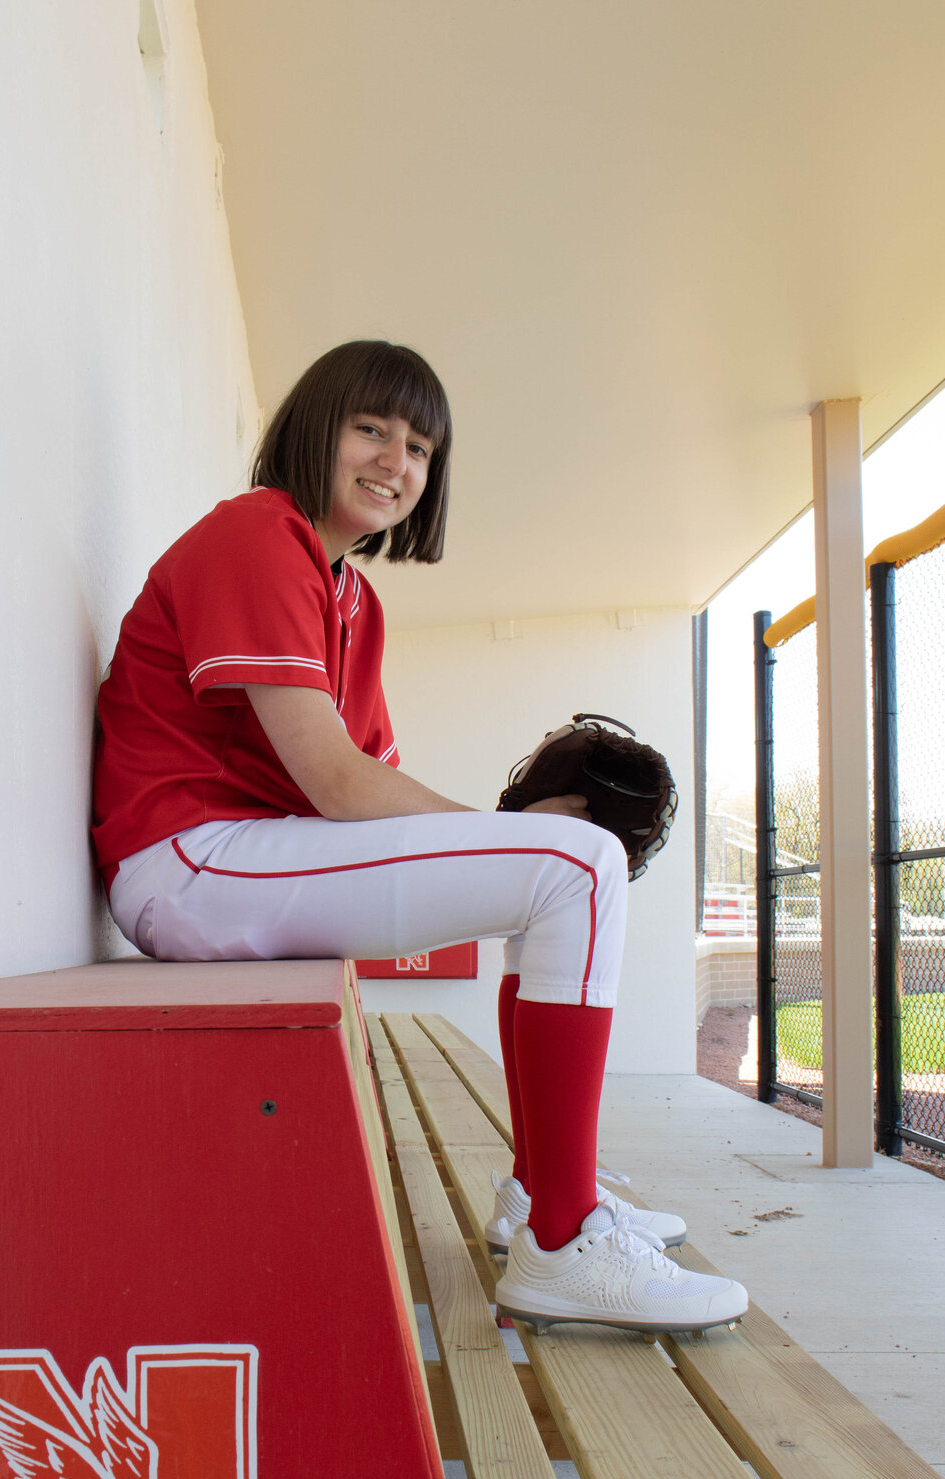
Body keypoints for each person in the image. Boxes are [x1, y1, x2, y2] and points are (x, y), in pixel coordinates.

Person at [93, 340, 746, 1335]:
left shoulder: (355, 596)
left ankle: (542, 1195)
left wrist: (513, 839)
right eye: (372, 430)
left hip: (246, 858)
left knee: (562, 869)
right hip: (187, 861)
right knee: (575, 865)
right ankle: (565, 1243)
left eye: (420, 448)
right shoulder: (257, 533)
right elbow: (340, 783)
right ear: (315, 429)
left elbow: (369, 797)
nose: (397, 462)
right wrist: (517, 838)